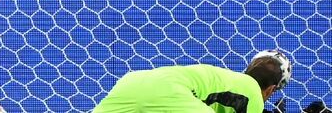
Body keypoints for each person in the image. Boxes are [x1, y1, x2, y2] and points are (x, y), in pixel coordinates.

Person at [93, 50, 292, 113]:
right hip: (172, 93)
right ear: (271, 90)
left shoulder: (226, 79)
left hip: (133, 81)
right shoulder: (253, 94)